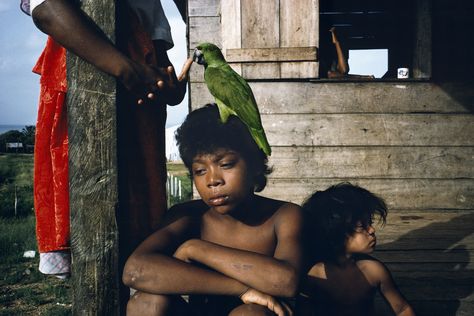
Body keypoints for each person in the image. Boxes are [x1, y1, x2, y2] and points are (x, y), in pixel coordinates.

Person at [20, 0, 188, 278]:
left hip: (140, 112)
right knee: (91, 223)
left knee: (138, 229)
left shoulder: (148, 6)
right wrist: (126, 69)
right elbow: (45, 8)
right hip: (86, 93)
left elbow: (161, 62)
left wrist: (166, 86)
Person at [123, 104, 304, 316]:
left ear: (254, 163)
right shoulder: (188, 216)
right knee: (146, 302)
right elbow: (135, 271)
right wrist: (242, 289)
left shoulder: (284, 216)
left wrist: (195, 249)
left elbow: (286, 281)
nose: (213, 181)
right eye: (200, 170)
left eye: (226, 164)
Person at [298, 182, 416, 316]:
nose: (372, 230)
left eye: (369, 223)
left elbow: (402, 309)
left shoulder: (374, 270)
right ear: (333, 232)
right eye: (361, 226)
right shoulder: (313, 275)